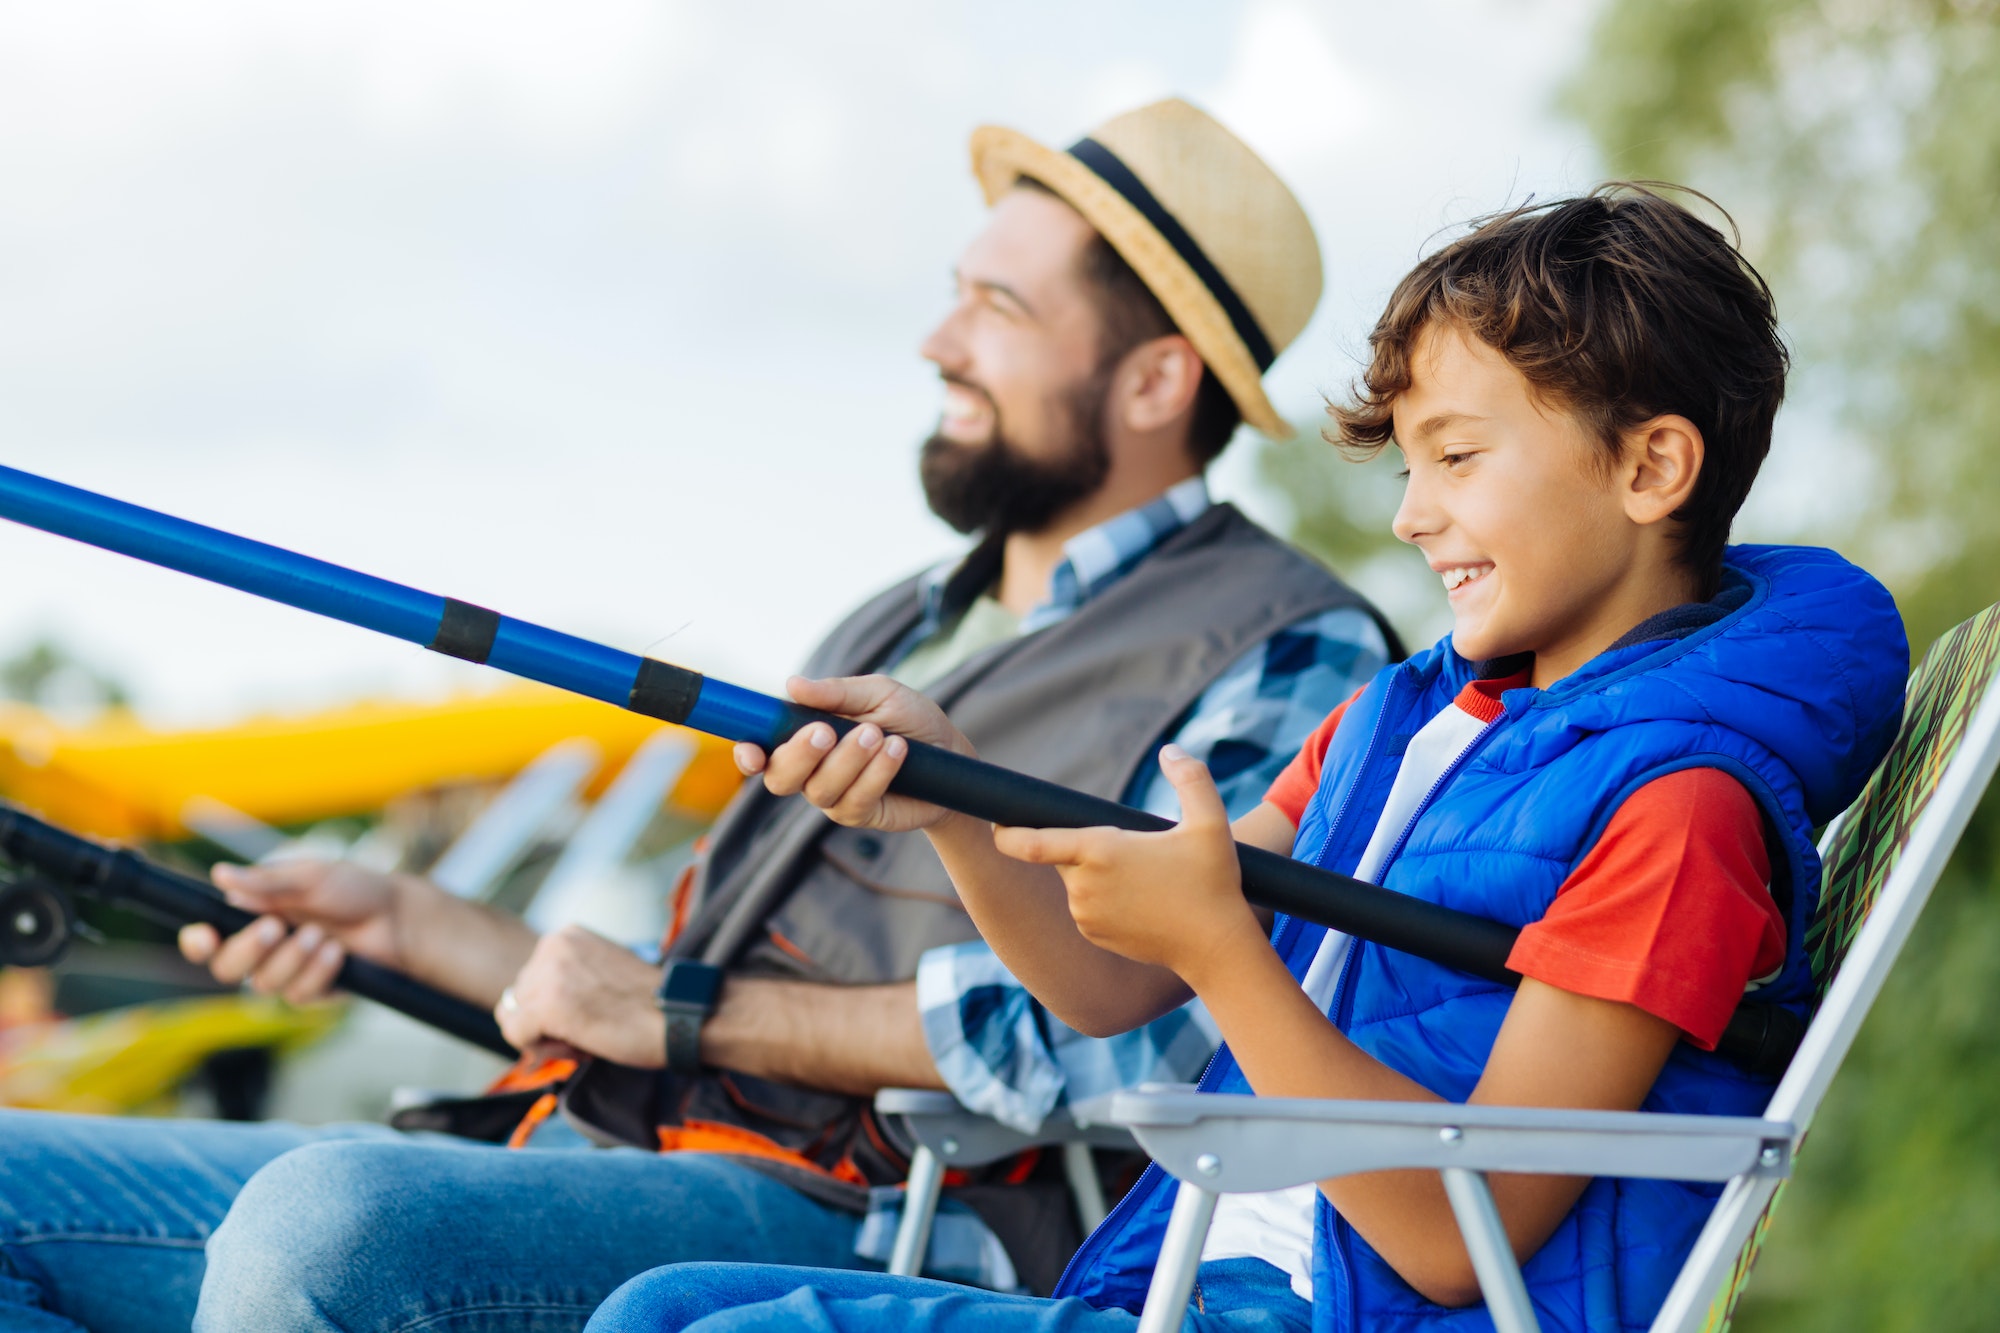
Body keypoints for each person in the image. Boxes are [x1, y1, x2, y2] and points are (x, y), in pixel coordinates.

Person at [0, 100, 1396, 1333]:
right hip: (626, 1152)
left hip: (900, 1228)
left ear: (1155, 381)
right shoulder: (895, 617)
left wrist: (684, 1015)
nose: (937, 339)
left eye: (1000, 308)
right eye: (955, 292)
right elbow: (670, 993)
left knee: (328, 1232)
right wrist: (421, 927)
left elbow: (1152, 1037)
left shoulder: (1296, 646)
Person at [581, 184, 1912, 1333]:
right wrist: (956, 810)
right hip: (1185, 1281)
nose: (1409, 513)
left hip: (1348, 1303)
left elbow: (1462, 1240)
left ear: (1651, 468)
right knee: (661, 1307)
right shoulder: (1395, 721)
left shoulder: (1683, 813)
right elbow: (1106, 980)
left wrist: (1226, 948)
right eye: (1406, 463)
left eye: (1456, 455)